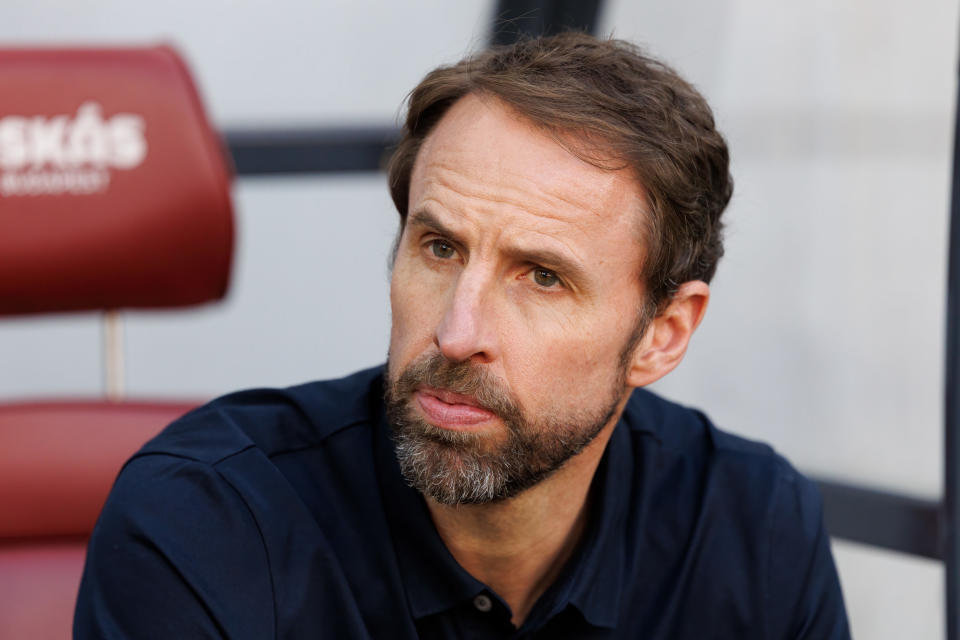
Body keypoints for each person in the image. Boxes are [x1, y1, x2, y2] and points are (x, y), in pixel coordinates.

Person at [74, 32, 850, 639]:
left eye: (542, 276)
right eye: (439, 248)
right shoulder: (208, 522)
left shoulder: (753, 532)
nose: (455, 331)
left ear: (663, 335)